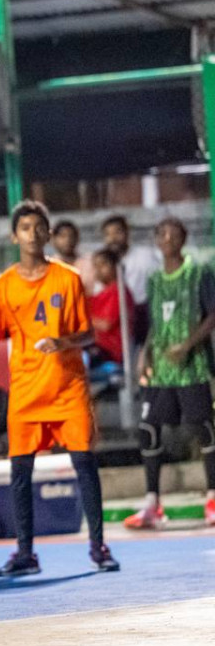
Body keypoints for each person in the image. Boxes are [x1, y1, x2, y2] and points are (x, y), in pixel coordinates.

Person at [0, 200, 120, 577]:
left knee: (84, 464)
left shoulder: (68, 278)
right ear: (14, 236)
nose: (33, 234)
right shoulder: (1, 288)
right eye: (25, 228)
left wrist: (63, 342)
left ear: (49, 233)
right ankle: (25, 553)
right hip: (26, 392)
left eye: (40, 227)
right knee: (20, 473)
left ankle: (98, 545)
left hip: (68, 388)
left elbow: (88, 333)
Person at [124, 217, 215, 529]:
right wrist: (144, 354)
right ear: (156, 240)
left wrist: (188, 345)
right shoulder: (153, 280)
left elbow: (212, 315)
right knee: (148, 429)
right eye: (161, 234)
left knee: (203, 428)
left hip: (193, 368)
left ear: (183, 239)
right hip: (161, 371)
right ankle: (152, 503)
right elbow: (154, 323)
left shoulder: (199, 273)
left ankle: (212, 498)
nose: (167, 239)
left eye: (173, 234)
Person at [87, 248, 133, 367]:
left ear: (115, 266)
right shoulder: (99, 295)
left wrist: (83, 319)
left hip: (112, 354)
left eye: (103, 265)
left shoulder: (118, 292)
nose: (98, 270)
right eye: (95, 266)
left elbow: (106, 324)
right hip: (98, 348)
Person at [101, 214, 159, 306]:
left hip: (141, 309)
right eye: (108, 234)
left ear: (127, 233)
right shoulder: (100, 263)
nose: (113, 238)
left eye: (117, 232)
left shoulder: (144, 257)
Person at [51, 220, 95, 294]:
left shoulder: (90, 262)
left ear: (77, 239)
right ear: (53, 240)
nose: (68, 240)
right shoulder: (49, 266)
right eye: (63, 236)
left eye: (71, 236)